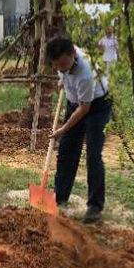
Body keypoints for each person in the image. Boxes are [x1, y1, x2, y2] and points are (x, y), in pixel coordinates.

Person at [47, 35, 112, 224]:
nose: (61, 69)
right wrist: (63, 80)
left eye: (64, 66)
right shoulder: (63, 56)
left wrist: (63, 129)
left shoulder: (85, 73)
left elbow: (84, 108)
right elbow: (64, 73)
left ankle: (94, 207)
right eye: (57, 66)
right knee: (67, 150)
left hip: (97, 106)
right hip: (75, 102)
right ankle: (59, 197)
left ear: (73, 55)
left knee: (93, 155)